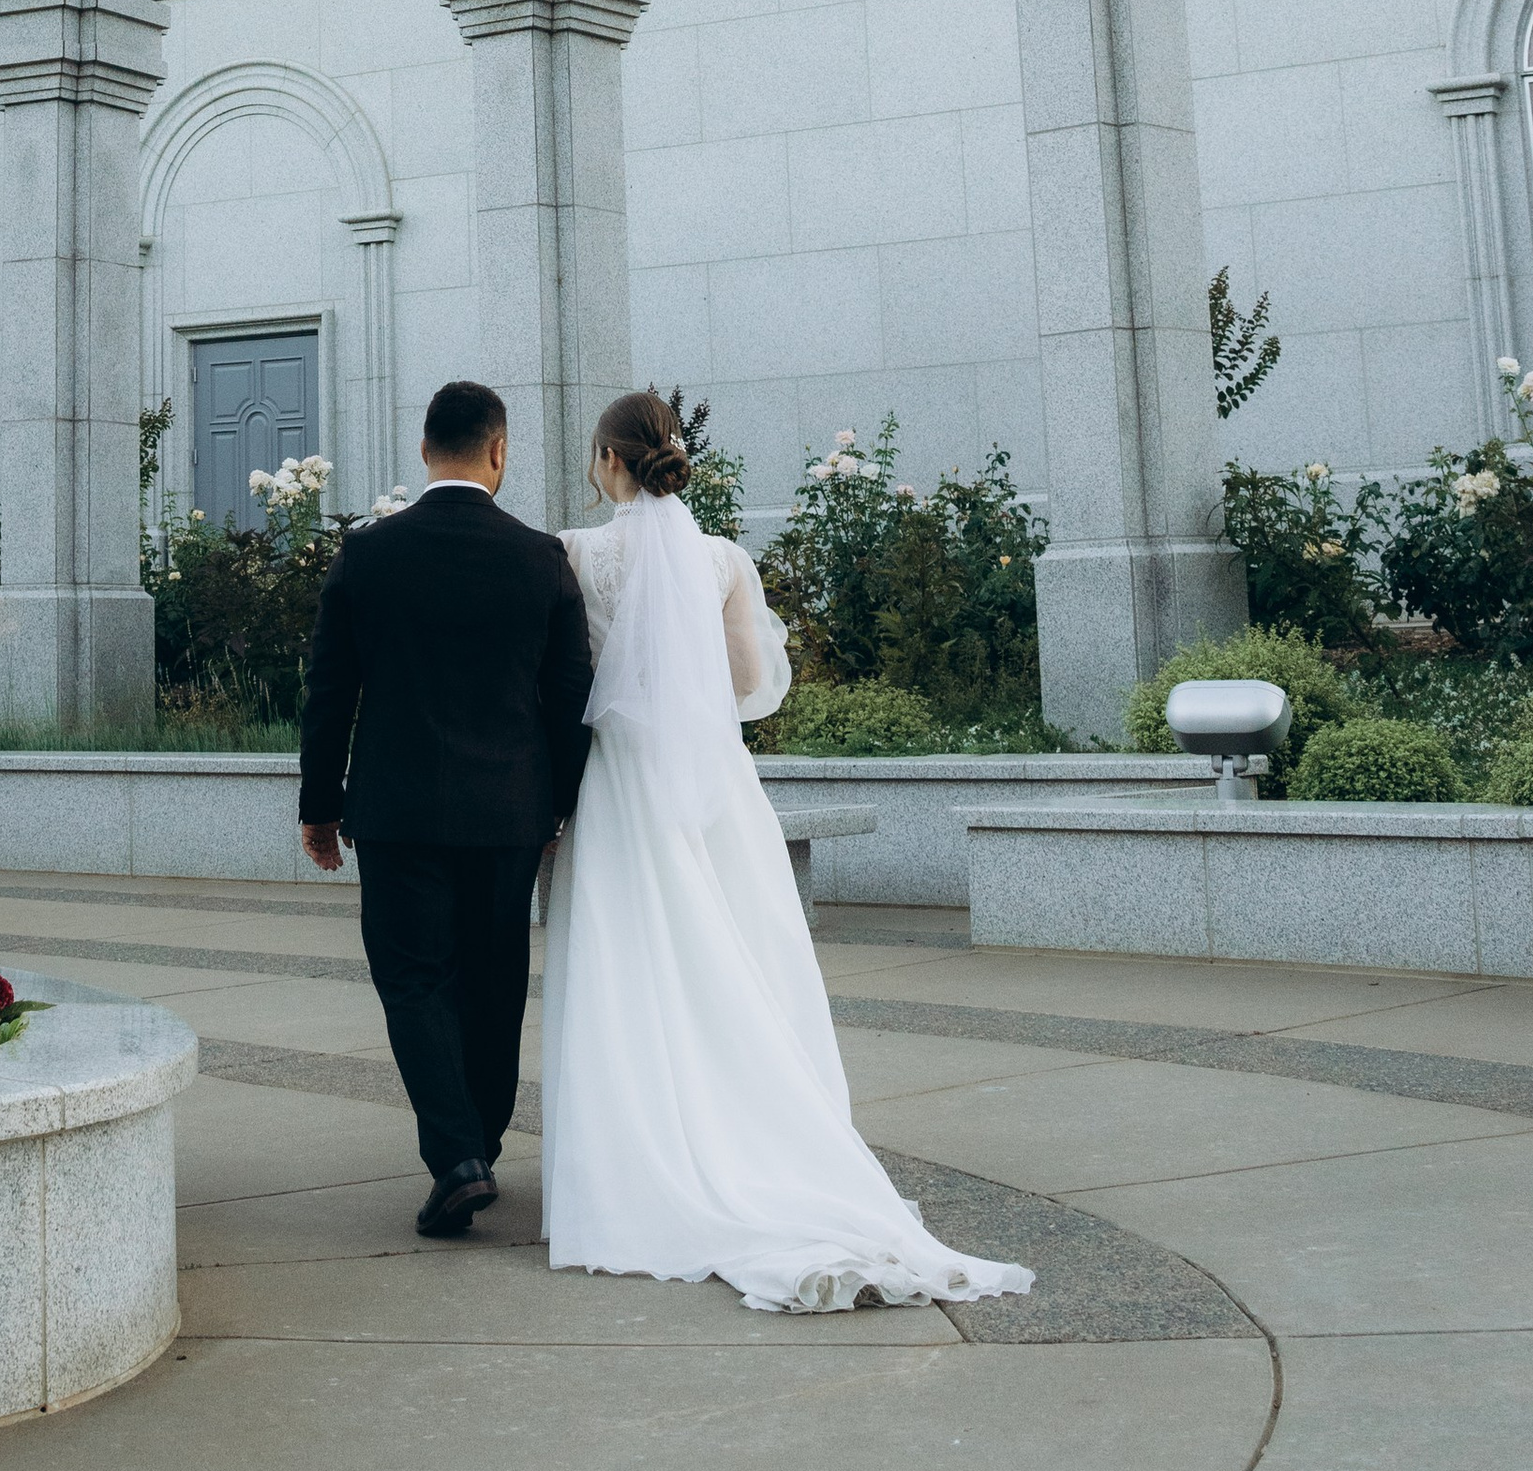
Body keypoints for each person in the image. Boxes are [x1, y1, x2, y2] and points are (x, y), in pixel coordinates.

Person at [542, 386, 1033, 1314]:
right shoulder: (723, 560)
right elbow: (749, 682)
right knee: (741, 951)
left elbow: (564, 678)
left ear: (607, 460)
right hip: (717, 780)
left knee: (634, 962)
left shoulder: (573, 554)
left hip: (623, 783)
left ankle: (647, 1151)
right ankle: (770, 1128)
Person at [298, 378, 593, 1240]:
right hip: (508, 813)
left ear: (425, 449)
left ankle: (459, 1157)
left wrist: (321, 805)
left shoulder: (368, 555)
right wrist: (559, 806)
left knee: (413, 978)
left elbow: (329, 692)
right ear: (499, 451)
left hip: (397, 812)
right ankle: (478, 1146)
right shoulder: (541, 558)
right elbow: (570, 697)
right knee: (495, 981)